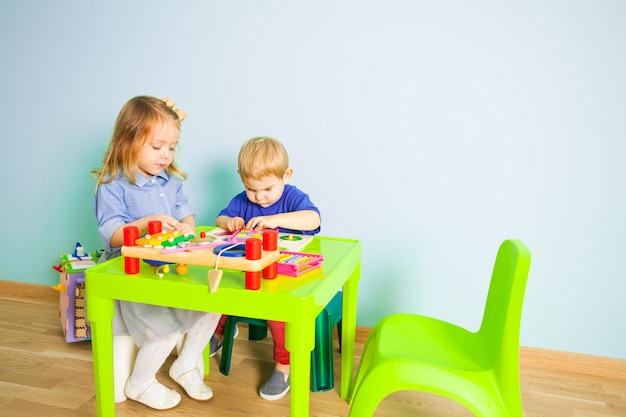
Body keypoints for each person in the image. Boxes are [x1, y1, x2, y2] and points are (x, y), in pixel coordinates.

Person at [92, 96, 221, 410]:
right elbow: (112, 235)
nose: (166, 155)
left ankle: (186, 363)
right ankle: (140, 383)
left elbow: (186, 216)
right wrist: (146, 223)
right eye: (157, 146)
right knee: (165, 330)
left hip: (170, 266)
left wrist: (188, 230)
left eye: (172, 147)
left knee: (213, 306)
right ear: (129, 141)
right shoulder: (113, 185)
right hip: (131, 270)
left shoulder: (170, 182)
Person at [213, 136, 321, 401]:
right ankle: (216, 332)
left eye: (267, 189)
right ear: (241, 178)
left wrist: (272, 219)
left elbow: (313, 218)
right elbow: (219, 218)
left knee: (278, 311)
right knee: (219, 289)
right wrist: (231, 220)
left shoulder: (294, 197)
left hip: (285, 276)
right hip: (249, 271)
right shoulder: (243, 200)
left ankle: (284, 365)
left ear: (287, 175)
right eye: (251, 190)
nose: (259, 197)